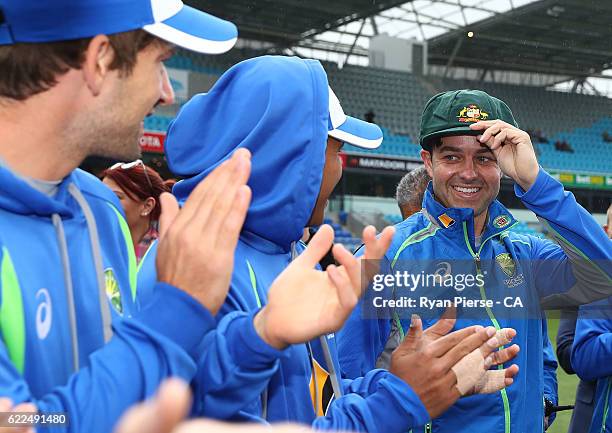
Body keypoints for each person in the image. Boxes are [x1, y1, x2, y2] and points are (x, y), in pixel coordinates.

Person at [138, 55, 519, 431]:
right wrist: (404, 400)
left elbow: (317, 397)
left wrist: (411, 381)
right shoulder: (199, 264)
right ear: (296, 157)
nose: (339, 166)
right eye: (337, 151)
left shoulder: (285, 253)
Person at [0, 1, 255, 432]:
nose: (167, 93)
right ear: (100, 60)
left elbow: (150, 395)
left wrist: (260, 338)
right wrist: (177, 307)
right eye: (160, 63)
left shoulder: (100, 208)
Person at [336, 89, 612, 433]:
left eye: (484, 158)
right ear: (427, 161)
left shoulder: (525, 250)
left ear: (502, 165)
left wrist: (535, 181)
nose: (469, 173)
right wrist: (418, 395)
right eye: (452, 157)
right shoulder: (386, 258)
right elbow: (344, 384)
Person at [387, 165, 558, 430]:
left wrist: (545, 399)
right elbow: (350, 377)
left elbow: (541, 348)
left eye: (483, 158)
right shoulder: (391, 258)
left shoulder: (520, 252)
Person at [102, 160, 171, 262]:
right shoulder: (90, 243)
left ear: (147, 206)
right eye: (101, 195)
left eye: (116, 196)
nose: (103, 203)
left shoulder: (166, 255)